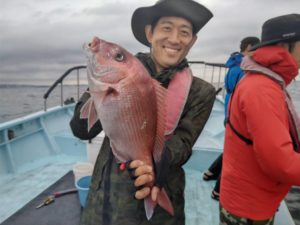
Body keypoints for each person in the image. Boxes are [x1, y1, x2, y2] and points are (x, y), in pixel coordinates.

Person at [70, 0, 216, 225]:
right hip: (105, 198)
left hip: (160, 199)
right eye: (166, 28)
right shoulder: (123, 70)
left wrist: (156, 165)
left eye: (184, 32)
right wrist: (98, 88)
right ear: (149, 33)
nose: (175, 39)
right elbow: (81, 131)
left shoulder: (201, 92)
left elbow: (183, 144)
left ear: (193, 41)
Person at [220, 14, 300, 225]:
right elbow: (280, 163)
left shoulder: (264, 80)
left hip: (249, 197)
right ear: (285, 45)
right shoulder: (263, 88)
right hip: (249, 206)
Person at [202, 36, 260, 201]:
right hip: (236, 117)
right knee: (238, 155)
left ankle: (211, 172)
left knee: (231, 150)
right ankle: (219, 190)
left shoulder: (234, 65)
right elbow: (246, 95)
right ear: (249, 48)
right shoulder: (243, 68)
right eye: (257, 48)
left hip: (231, 114)